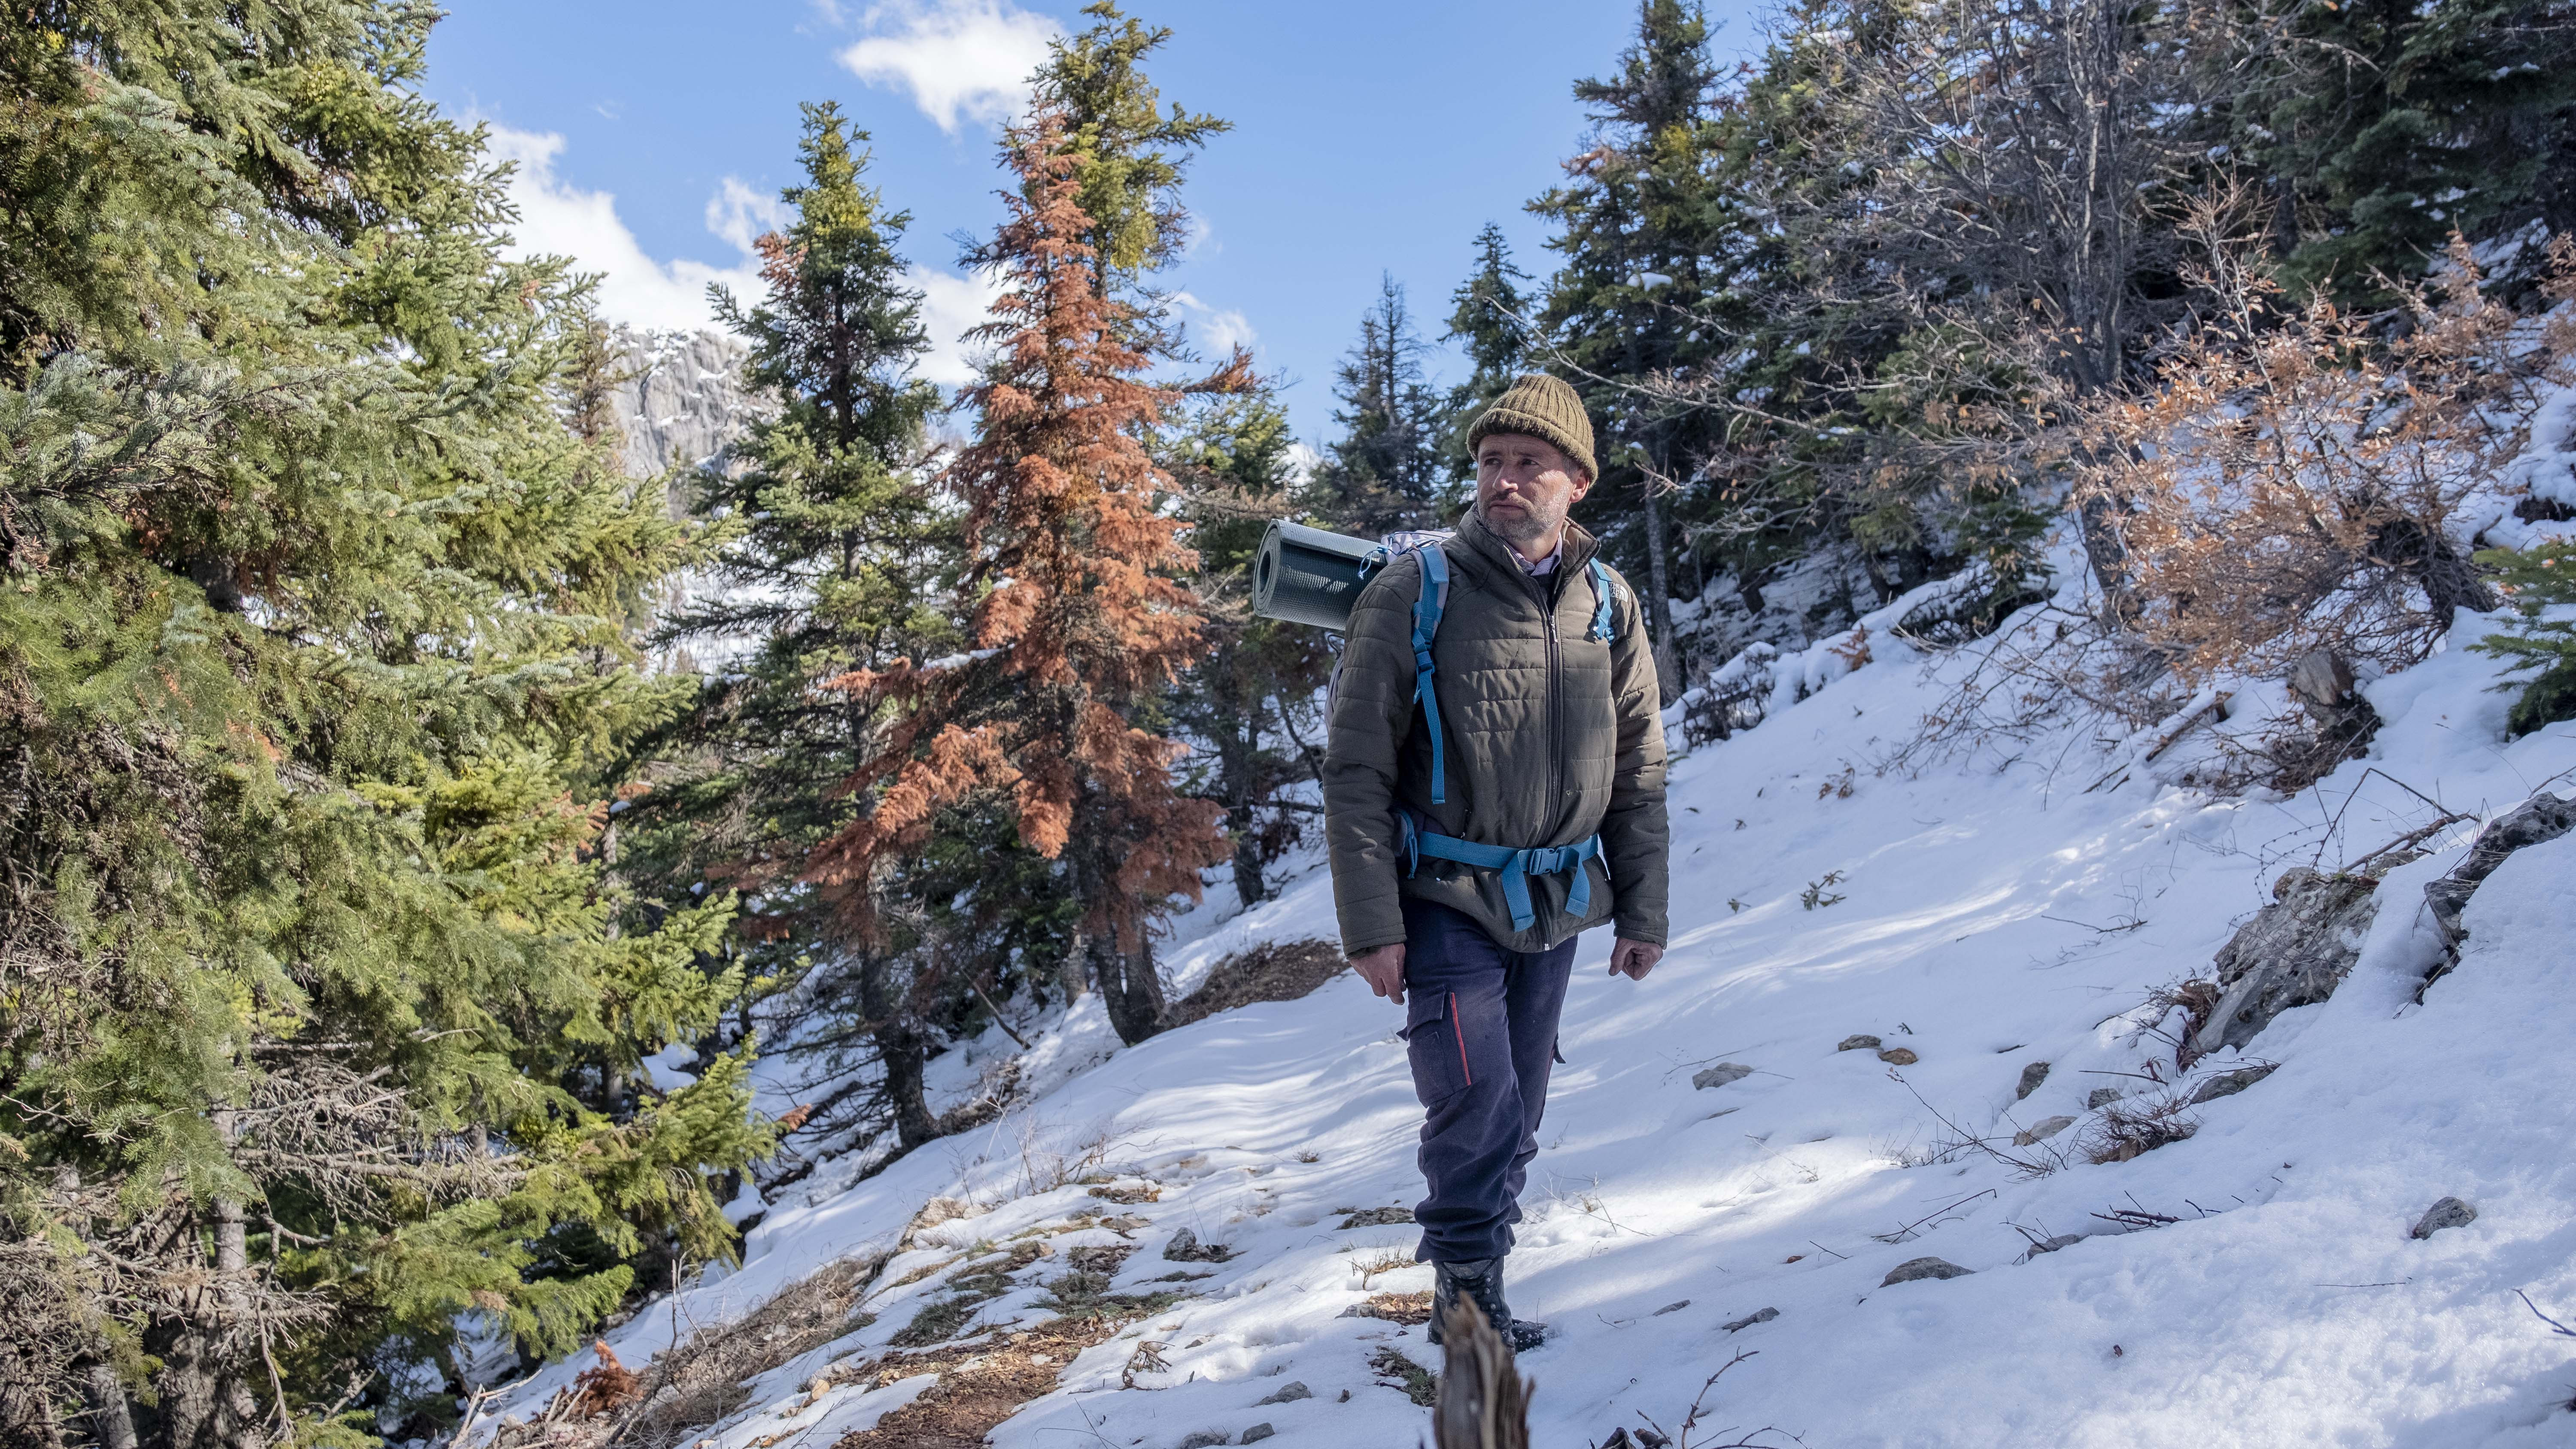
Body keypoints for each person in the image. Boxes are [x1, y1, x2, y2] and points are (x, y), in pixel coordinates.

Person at [1323, 373, 1671, 1352]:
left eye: (1529, 464)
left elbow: (1641, 764)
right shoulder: (1416, 590)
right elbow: (1353, 770)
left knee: (1518, 1103)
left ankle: (1485, 1277)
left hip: (1558, 897)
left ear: (1577, 481)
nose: (1505, 481)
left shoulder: (1609, 603)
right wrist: (1372, 924)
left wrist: (1643, 907)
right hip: (1441, 894)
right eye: (1491, 462)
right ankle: (1466, 1304)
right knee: (1473, 1095)